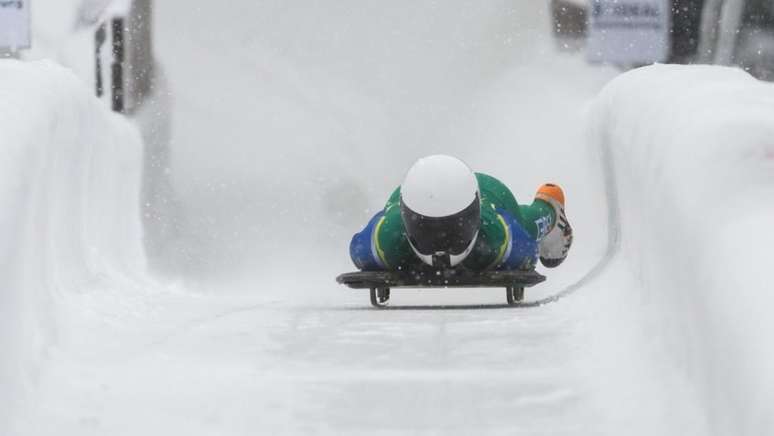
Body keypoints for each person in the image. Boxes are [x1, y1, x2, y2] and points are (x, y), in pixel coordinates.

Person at [349, 155, 573, 272]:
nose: (441, 244)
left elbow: (528, 249)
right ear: (406, 218)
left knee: (525, 224)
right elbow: (359, 246)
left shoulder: (500, 237)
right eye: (427, 230)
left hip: (490, 194)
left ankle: (549, 208)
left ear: (474, 217)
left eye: (452, 230)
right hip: (420, 195)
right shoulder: (386, 239)